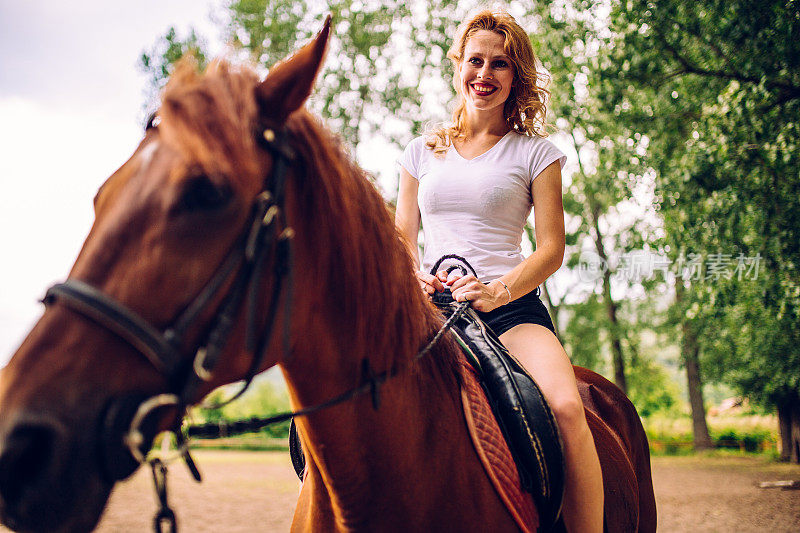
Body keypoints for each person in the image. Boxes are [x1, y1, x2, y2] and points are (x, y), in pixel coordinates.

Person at [394, 9, 604, 532]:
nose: (484, 75)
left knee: (565, 409)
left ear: (517, 76)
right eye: (475, 61)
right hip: (431, 312)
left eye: (500, 64)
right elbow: (403, 240)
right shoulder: (420, 151)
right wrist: (415, 276)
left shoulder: (538, 154)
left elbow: (551, 249)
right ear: (459, 66)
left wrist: (497, 290)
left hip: (512, 312)